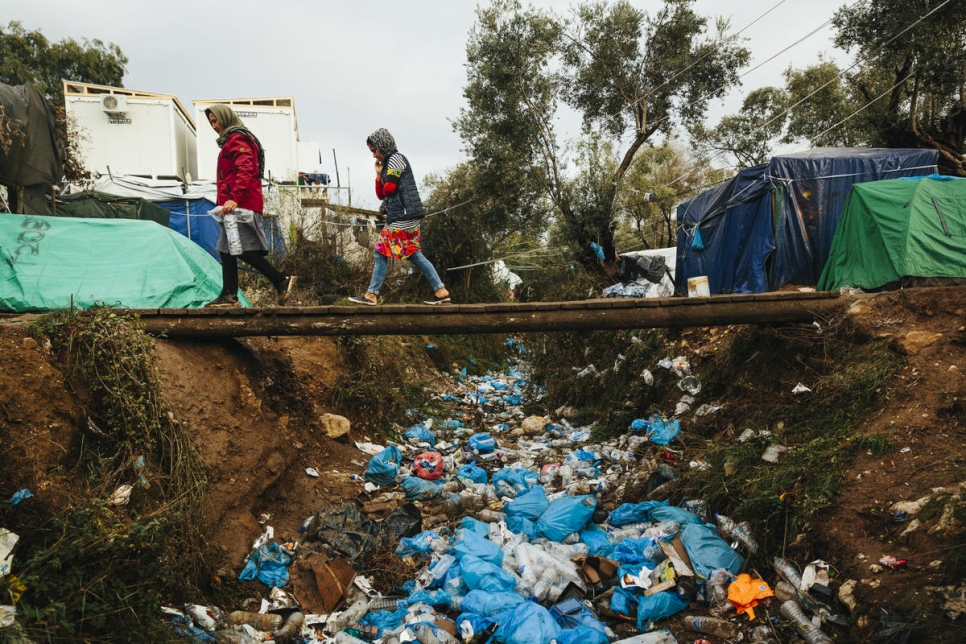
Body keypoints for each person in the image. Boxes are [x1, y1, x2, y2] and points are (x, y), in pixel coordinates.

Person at [204, 104, 295, 307]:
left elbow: (246, 168)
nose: (214, 125)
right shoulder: (231, 140)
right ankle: (229, 295)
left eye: (216, 120)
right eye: (211, 122)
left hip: (241, 205)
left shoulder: (238, 138)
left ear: (226, 118)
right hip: (233, 206)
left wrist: (235, 197)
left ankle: (280, 280)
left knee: (240, 249)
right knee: (227, 249)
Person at [348, 128, 450, 306]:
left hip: (404, 215)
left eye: (374, 150)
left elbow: (389, 189)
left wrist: (384, 179)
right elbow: (381, 194)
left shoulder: (396, 159)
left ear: (383, 145)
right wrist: (379, 175)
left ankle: (371, 295)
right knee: (414, 254)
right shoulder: (388, 163)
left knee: (380, 252)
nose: (374, 155)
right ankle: (440, 291)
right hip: (404, 216)